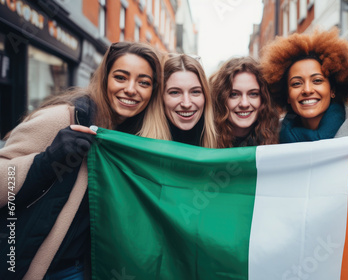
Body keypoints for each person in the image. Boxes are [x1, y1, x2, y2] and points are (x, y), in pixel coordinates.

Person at [0, 41, 163, 280]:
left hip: (83, 270)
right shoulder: (63, 118)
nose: (131, 89)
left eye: (144, 82)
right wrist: (46, 161)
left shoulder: (134, 139)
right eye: (120, 77)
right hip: (31, 267)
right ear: (105, 79)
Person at [260, 29, 348, 143]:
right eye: (297, 83)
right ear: (287, 95)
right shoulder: (272, 139)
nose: (307, 90)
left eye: (317, 80)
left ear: (332, 90)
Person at [149, 54, 217, 148]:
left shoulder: (223, 141)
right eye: (175, 92)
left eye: (195, 92)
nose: (186, 104)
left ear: (205, 96)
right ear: (161, 97)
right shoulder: (138, 141)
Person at [210, 56, 279, 147]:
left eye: (253, 94)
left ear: (264, 99)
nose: (244, 103)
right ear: (221, 99)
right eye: (234, 94)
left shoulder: (281, 138)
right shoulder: (205, 140)